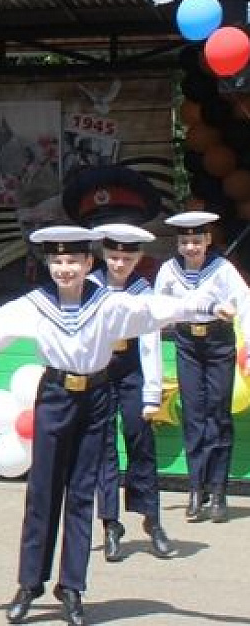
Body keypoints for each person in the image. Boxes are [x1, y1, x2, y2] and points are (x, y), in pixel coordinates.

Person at [0, 226, 234, 626]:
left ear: (88, 264)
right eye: (57, 261)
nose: (64, 269)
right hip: (55, 398)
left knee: (82, 494)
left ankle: (72, 588)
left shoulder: (109, 303)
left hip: (96, 399)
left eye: (72, 261)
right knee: (42, 493)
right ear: (49, 264)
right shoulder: (35, 304)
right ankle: (30, 585)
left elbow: (157, 309)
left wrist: (209, 306)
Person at [152, 211, 250, 524]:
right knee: (194, 413)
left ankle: (219, 489)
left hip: (219, 343)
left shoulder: (222, 268)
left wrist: (247, 343)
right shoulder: (168, 270)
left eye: (197, 240)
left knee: (218, 413)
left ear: (208, 240)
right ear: (178, 243)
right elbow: (158, 307)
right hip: (187, 345)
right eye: (185, 241)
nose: (191, 247)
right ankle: (196, 489)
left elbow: (244, 301)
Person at [88, 224, 174, 561]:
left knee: (140, 439)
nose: (119, 263)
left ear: (138, 258)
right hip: (99, 371)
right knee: (103, 446)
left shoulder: (143, 290)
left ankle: (152, 518)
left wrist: (152, 393)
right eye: (113, 256)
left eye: (126, 257)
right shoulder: (90, 287)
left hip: (133, 369)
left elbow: (151, 342)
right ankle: (111, 523)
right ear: (103, 255)